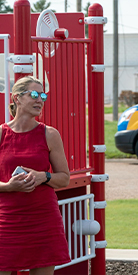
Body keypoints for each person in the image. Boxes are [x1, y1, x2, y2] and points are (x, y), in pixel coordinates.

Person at [0, 76, 71, 275]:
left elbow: (64, 178)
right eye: (33, 94)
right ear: (16, 98)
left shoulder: (50, 134)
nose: (40, 100)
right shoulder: (1, 134)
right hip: (7, 220)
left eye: (42, 95)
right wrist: (9, 186)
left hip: (43, 220)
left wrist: (44, 177)